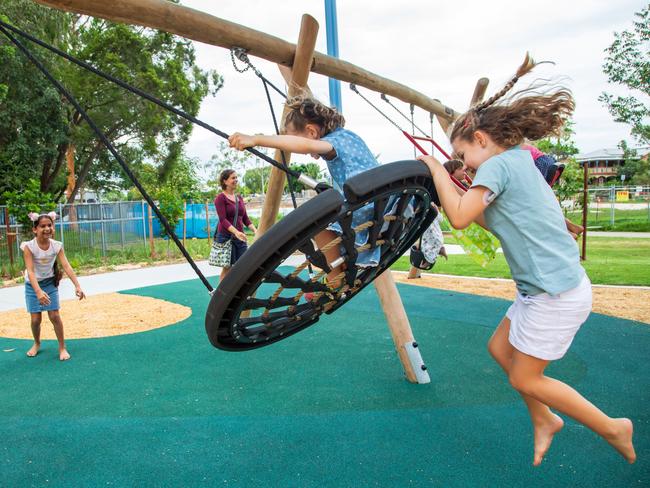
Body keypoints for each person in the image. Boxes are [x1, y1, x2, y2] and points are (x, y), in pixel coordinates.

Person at [418, 54, 635, 466]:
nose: (463, 166)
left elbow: (461, 219)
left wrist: (436, 170)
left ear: (480, 139)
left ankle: (613, 426)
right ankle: (544, 419)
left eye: (464, 156)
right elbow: (490, 218)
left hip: (555, 294)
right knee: (500, 348)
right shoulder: (518, 160)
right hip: (544, 289)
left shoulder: (498, 165)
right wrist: (456, 186)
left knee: (524, 376)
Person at [228, 95, 382, 291]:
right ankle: (340, 266)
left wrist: (256, 139)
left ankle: (336, 278)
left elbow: (309, 145)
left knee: (318, 223)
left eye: (294, 139)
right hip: (382, 203)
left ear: (311, 131)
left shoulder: (331, 142)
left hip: (366, 207)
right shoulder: (349, 136)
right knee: (329, 213)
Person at [21, 212, 85, 361]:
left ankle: (62, 347)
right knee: (36, 319)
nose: (47, 228)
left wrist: (77, 286)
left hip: (49, 282)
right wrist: (37, 291)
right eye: (42, 226)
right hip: (32, 285)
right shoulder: (29, 247)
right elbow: (30, 271)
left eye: (49, 225)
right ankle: (37, 343)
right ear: (35, 229)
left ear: (53, 227)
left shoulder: (56, 246)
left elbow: (67, 266)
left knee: (54, 315)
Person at [214, 169, 256, 281]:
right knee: (227, 268)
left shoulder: (239, 198)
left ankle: (243, 293)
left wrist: (256, 230)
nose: (236, 180)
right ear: (225, 181)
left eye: (236, 177)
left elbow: (245, 218)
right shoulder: (220, 198)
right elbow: (223, 220)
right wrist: (236, 232)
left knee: (245, 265)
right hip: (226, 237)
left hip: (240, 237)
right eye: (233, 178)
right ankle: (221, 295)